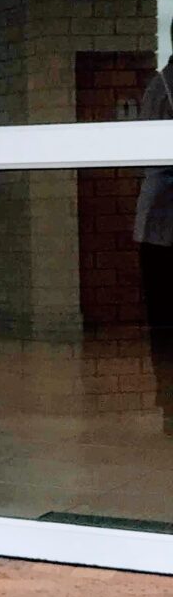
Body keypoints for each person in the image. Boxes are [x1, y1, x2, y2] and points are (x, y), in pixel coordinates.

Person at [135, 24, 173, 432]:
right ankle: (170, 408)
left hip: (158, 225)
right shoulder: (160, 87)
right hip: (162, 227)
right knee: (165, 321)